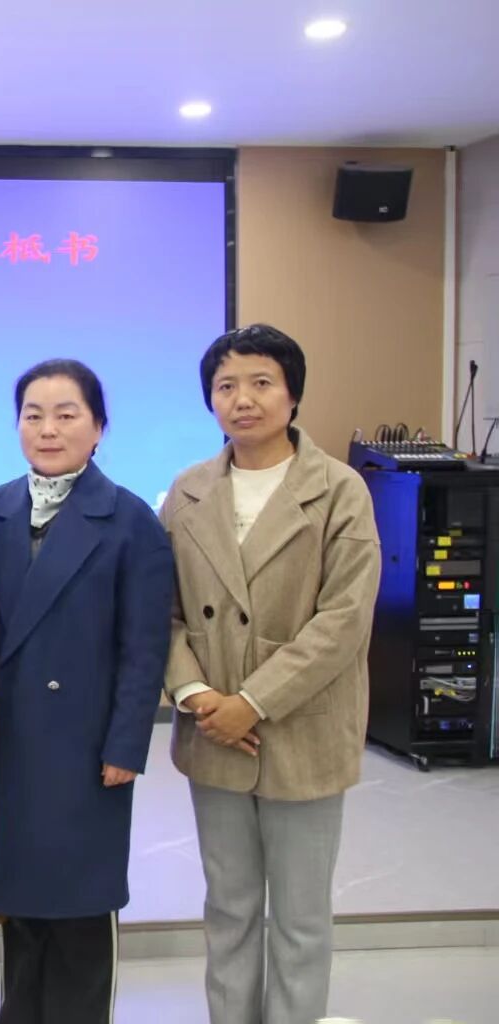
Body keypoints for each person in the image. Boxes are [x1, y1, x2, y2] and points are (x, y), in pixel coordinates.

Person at [161, 324, 380, 1024]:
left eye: (261, 382)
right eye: (226, 386)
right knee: (228, 909)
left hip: (303, 731)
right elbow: (160, 611)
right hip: (212, 734)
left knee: (301, 917)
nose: (243, 399)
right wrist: (197, 694)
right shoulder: (188, 491)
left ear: (292, 394)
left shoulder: (339, 489)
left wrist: (252, 701)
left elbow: (344, 618)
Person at [0, 359, 173, 1024]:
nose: (48, 429)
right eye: (33, 415)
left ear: (99, 427)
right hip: (12, 742)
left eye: (67, 415)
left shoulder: (130, 519)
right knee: (22, 909)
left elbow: (144, 647)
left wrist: (126, 745)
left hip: (87, 749)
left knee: (81, 912)